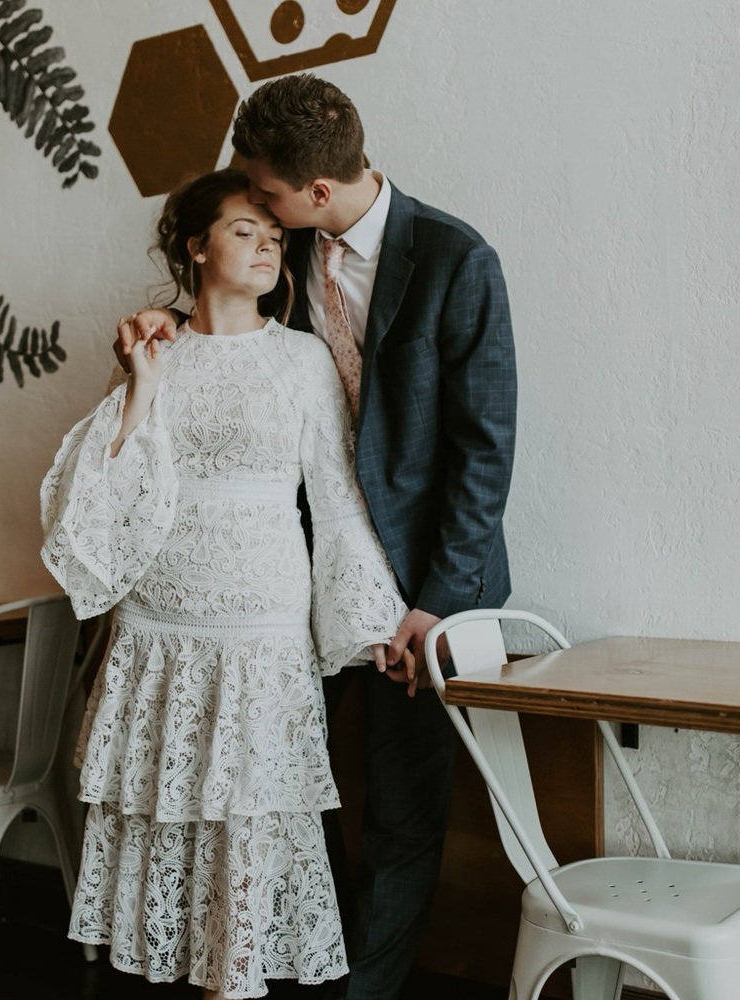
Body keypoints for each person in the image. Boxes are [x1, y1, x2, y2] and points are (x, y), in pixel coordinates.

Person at [115, 75, 518, 1000]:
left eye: (266, 193)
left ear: (318, 190)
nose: (257, 209)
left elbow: (483, 452)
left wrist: (436, 606)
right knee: (285, 789)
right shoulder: (286, 246)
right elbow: (231, 324)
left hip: (423, 586)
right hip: (287, 584)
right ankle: (297, 972)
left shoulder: (457, 260)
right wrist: (165, 323)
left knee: (403, 807)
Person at [40, 167, 407, 1000]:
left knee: (248, 810)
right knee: (166, 809)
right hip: (157, 621)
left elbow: (338, 496)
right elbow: (105, 488)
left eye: (275, 235)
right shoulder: (154, 349)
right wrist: (142, 383)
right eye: (246, 231)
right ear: (197, 247)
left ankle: (231, 986)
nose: (268, 246)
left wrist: (372, 616)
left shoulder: (303, 359)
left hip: (260, 622)